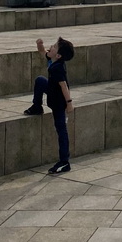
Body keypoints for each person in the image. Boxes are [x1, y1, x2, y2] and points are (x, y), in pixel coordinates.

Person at [24, 36, 75, 174]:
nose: (50, 47)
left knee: (61, 130)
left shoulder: (57, 68)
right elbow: (43, 53)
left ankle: (64, 162)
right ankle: (37, 106)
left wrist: (69, 104)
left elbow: (64, 86)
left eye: (53, 46)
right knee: (40, 80)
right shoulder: (53, 60)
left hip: (59, 103)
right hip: (52, 93)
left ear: (58, 55)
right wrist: (40, 45)